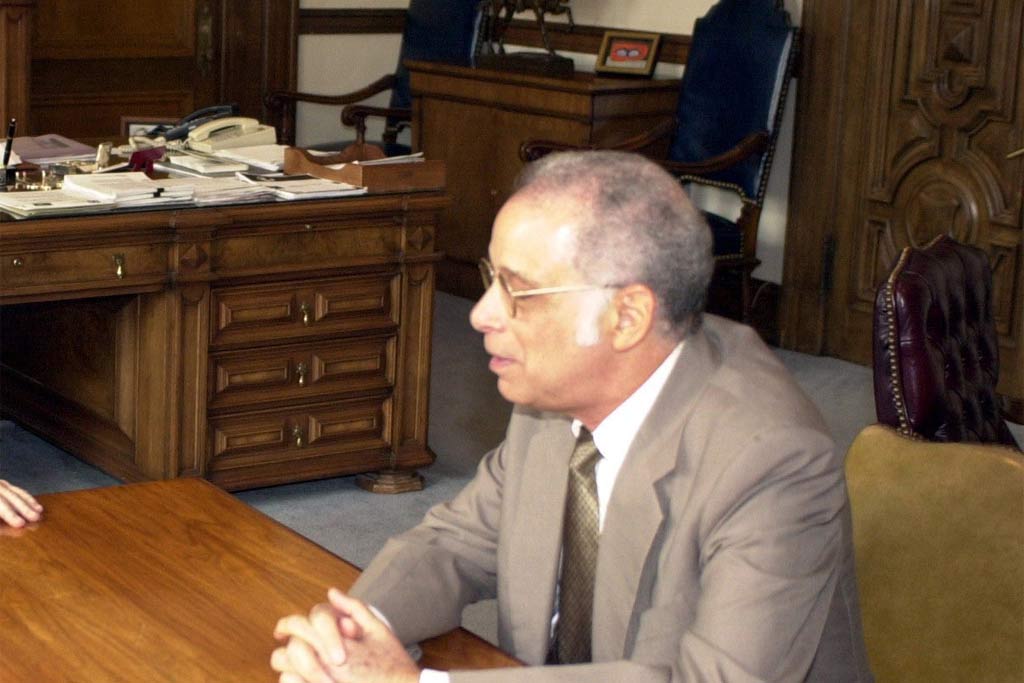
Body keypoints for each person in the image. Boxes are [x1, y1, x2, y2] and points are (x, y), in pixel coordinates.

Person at [271, 151, 873, 682]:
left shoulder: (771, 461)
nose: (480, 314)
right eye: (490, 278)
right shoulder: (552, 397)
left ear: (627, 317)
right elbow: (456, 543)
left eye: (518, 290)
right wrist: (350, 630)